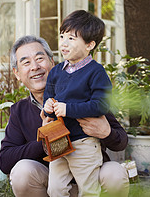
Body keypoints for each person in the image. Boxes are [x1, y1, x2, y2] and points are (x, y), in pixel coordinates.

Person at [0, 35, 129, 197]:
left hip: (92, 178)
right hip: (52, 185)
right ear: (17, 73)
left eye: (40, 58)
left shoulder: (81, 95)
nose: (34, 67)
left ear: (52, 63)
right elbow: (5, 161)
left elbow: (121, 141)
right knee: (21, 172)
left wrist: (107, 133)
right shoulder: (19, 110)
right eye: (26, 62)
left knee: (115, 173)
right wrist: (46, 142)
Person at [43, 10, 112, 196]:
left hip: (84, 142)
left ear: (90, 44)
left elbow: (101, 105)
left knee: (88, 189)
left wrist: (69, 109)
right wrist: (48, 106)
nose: (64, 43)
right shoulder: (56, 72)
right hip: (58, 139)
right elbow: (48, 99)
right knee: (55, 189)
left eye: (72, 38)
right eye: (62, 36)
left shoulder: (96, 72)